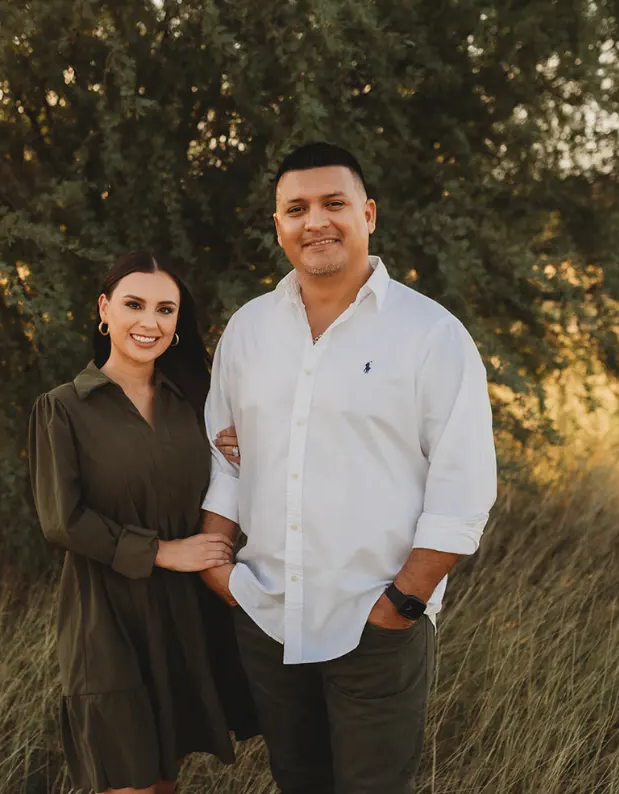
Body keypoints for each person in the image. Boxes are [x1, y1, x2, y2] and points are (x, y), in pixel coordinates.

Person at [200, 142, 498, 794]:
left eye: (334, 204)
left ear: (367, 213)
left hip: (377, 622)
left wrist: (401, 604)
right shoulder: (248, 332)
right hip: (268, 616)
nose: (316, 222)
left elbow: (463, 489)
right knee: (297, 782)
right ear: (278, 224)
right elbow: (224, 461)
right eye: (296, 208)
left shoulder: (430, 335)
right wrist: (222, 571)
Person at [27, 251, 256, 794]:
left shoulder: (195, 405)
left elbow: (225, 486)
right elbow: (61, 520)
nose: (149, 322)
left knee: (161, 781)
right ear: (104, 310)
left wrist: (250, 452)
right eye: (134, 304)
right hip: (106, 619)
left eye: (165, 309)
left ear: (178, 324)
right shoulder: (62, 408)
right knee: (125, 780)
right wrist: (163, 551)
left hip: (183, 614)